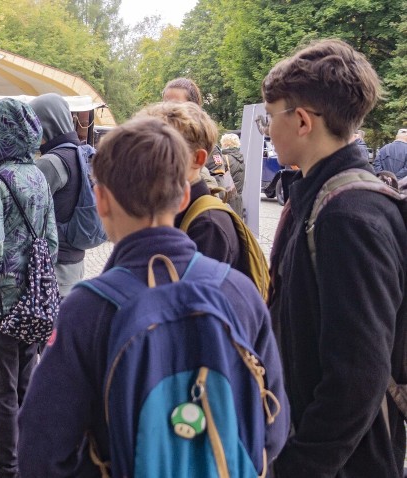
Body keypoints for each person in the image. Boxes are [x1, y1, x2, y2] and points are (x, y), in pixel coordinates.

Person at [17, 116, 288, 476]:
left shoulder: (88, 308)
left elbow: (42, 446)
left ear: (101, 200)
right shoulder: (238, 291)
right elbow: (275, 424)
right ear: (184, 196)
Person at [262, 39, 406, 476]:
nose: (268, 130)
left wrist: (297, 466)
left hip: (346, 464)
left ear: (302, 120)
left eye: (271, 117)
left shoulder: (348, 215)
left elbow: (357, 376)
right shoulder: (319, 195)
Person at [0, 98, 56, 478]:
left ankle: (7, 470)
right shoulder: (38, 177)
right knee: (25, 386)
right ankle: (29, 462)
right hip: (32, 303)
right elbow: (50, 243)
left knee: (0, 395)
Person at [138, 102, 245, 273]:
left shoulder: (207, 225)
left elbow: (190, 296)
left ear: (198, 159)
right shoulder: (174, 207)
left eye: (164, 150)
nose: (149, 159)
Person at [27, 93, 87, 296]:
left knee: (52, 327)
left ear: (46, 123)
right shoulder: (81, 154)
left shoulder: (50, 163)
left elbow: (25, 211)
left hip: (54, 266)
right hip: (76, 260)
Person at [161, 77, 223, 191]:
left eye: (176, 105)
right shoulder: (159, 140)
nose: (168, 109)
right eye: (165, 103)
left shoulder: (207, 144)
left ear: (194, 107)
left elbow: (220, 186)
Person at [220, 132, 246, 216]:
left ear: (225, 144)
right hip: (238, 200)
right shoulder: (241, 158)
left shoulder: (224, 158)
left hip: (227, 200)